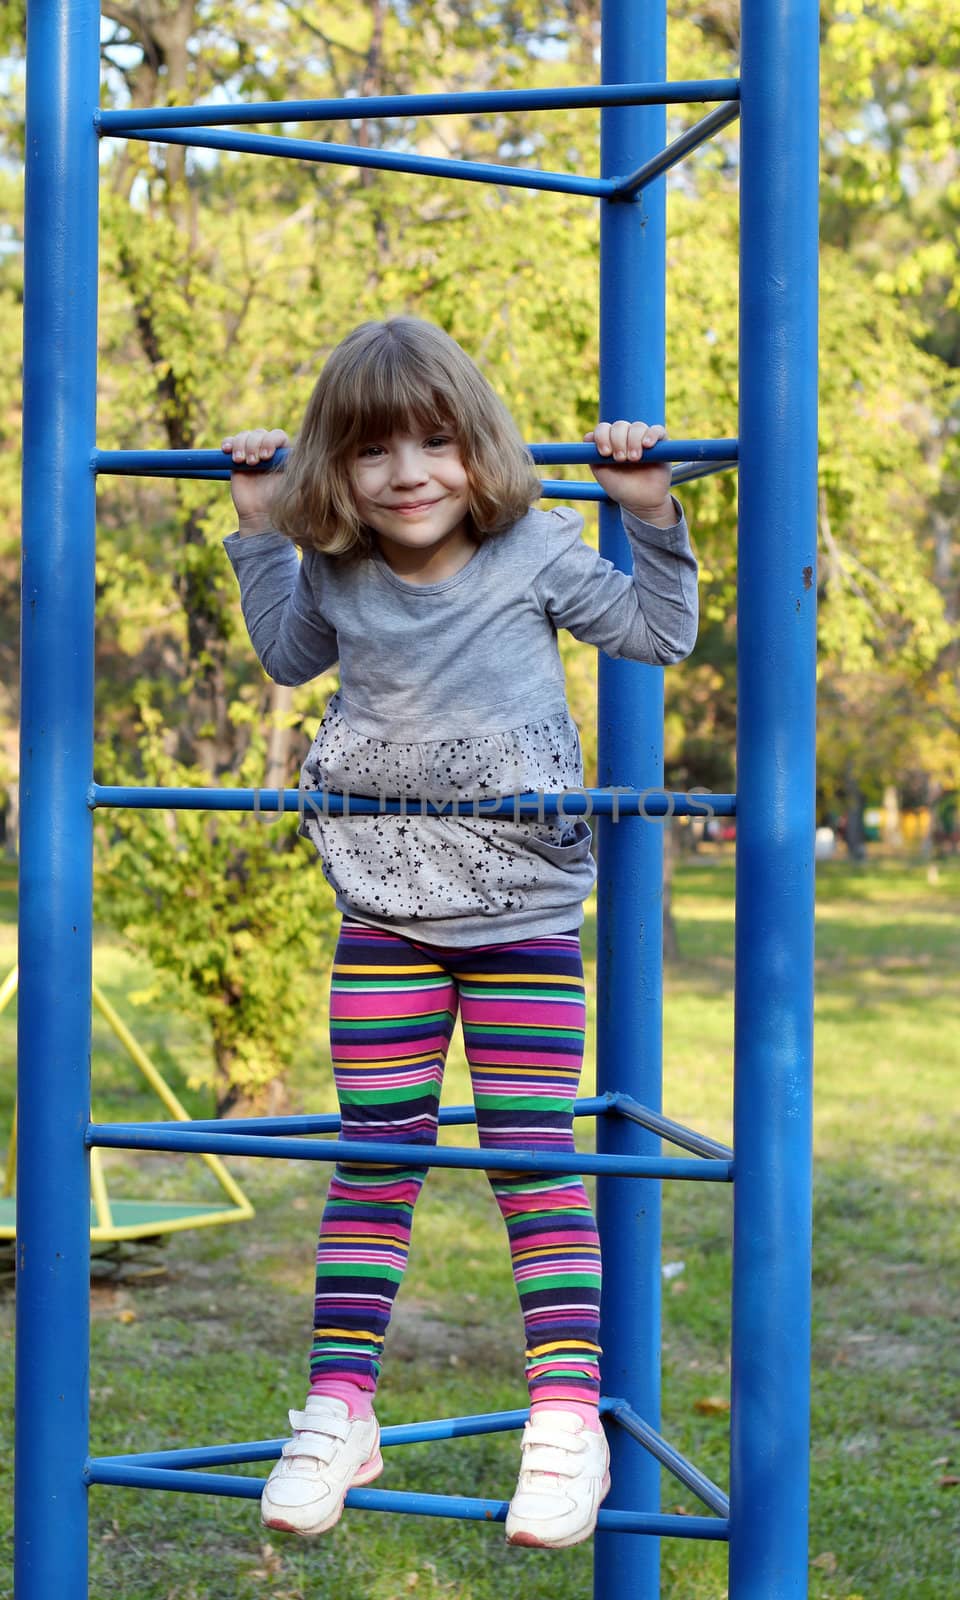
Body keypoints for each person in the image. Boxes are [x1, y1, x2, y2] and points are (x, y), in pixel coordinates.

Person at [221, 316, 698, 1548]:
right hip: (383, 905)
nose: (408, 473)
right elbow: (284, 656)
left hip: (524, 916)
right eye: (375, 451)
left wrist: (647, 510)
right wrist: (261, 530)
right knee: (376, 1150)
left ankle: (565, 1417)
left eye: (436, 441)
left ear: (479, 451)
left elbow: (659, 633)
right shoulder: (336, 571)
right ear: (341, 468)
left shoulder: (534, 547)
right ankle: (339, 1404)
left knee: (534, 1157)